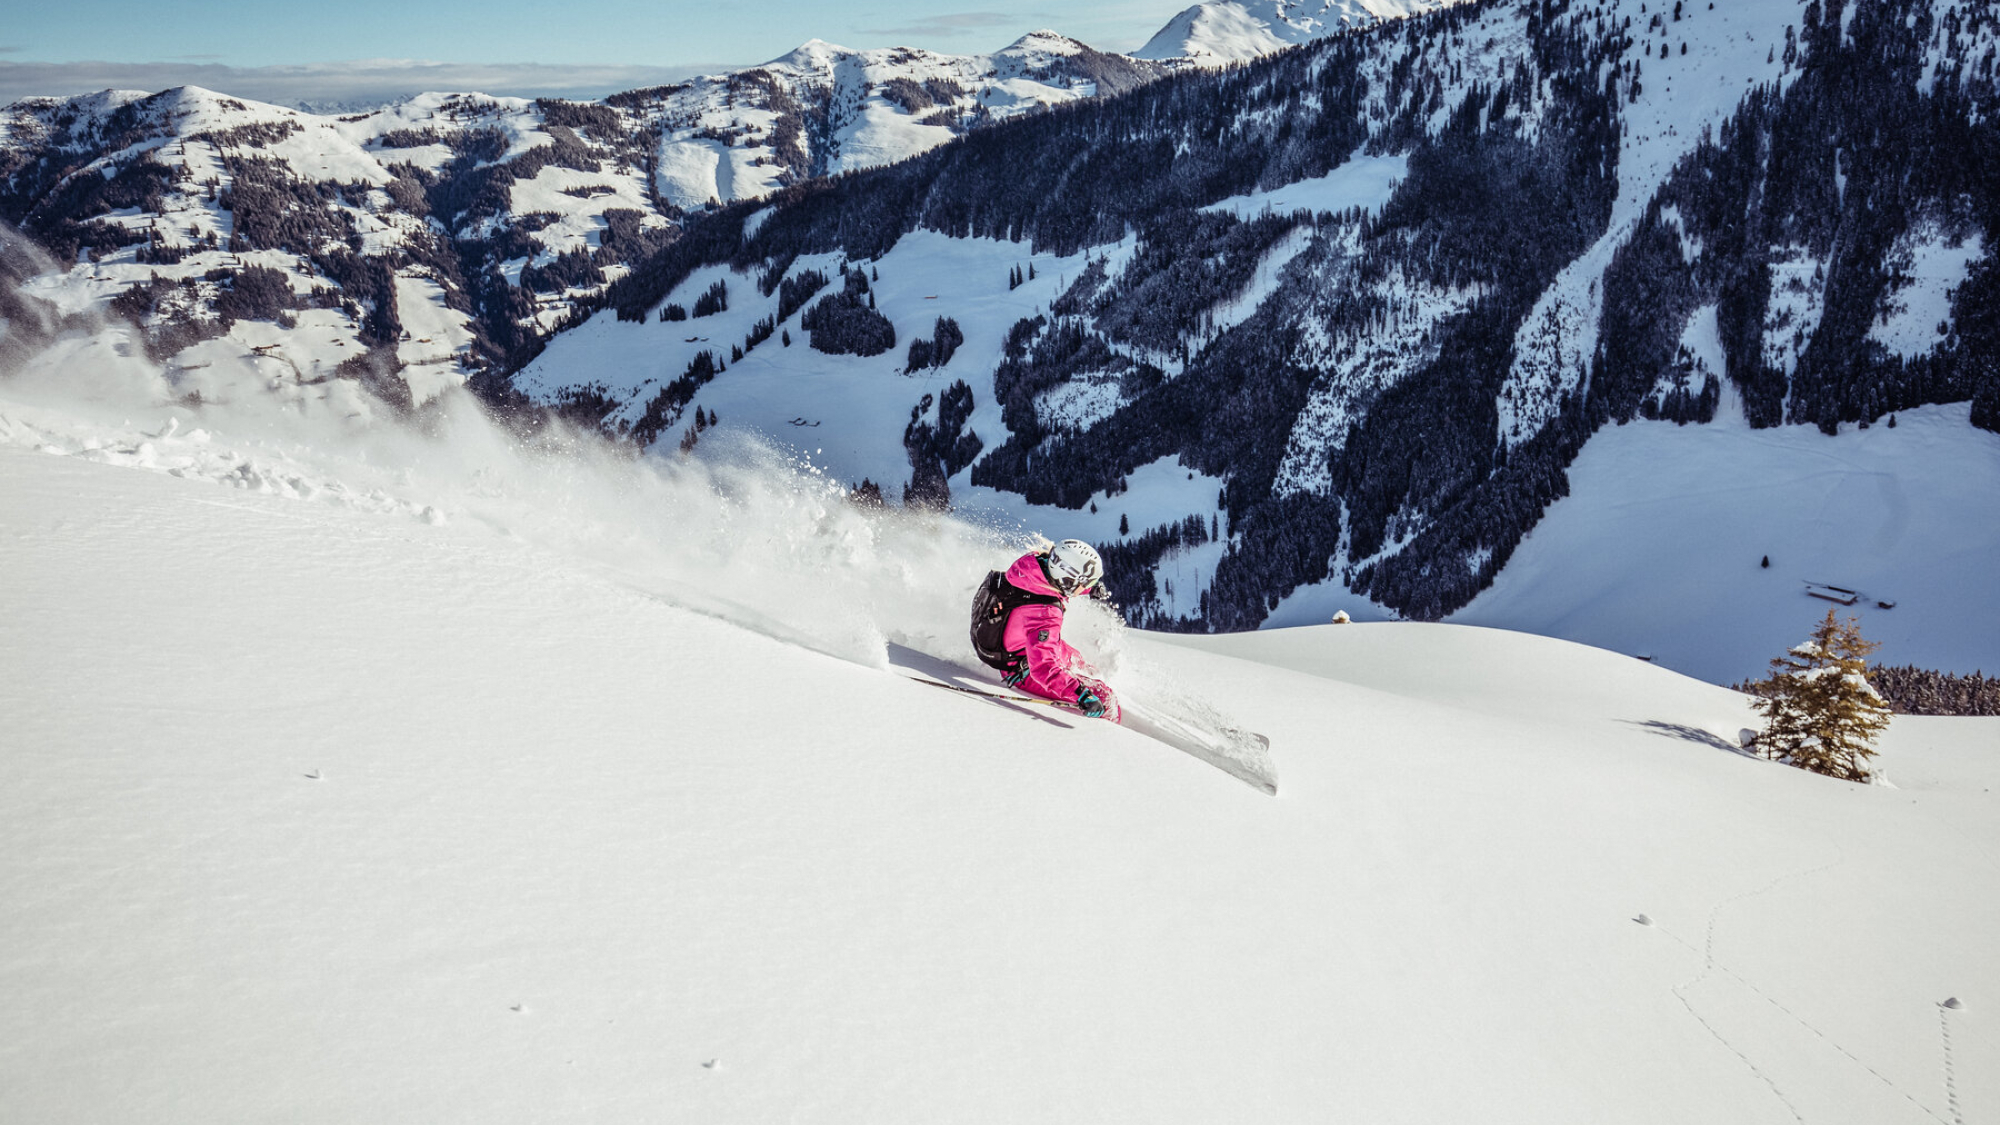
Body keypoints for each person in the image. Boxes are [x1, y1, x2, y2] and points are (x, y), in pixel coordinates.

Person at [969, 538, 1120, 722]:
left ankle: (1084, 676)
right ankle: (1109, 736)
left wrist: (1089, 589)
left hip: (1024, 644)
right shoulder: (1045, 614)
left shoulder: (1032, 567)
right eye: (1085, 583)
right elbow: (1043, 667)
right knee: (1106, 698)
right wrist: (1081, 695)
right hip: (1023, 670)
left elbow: (1062, 582)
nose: (1087, 586)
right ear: (1070, 579)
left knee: (1080, 662)